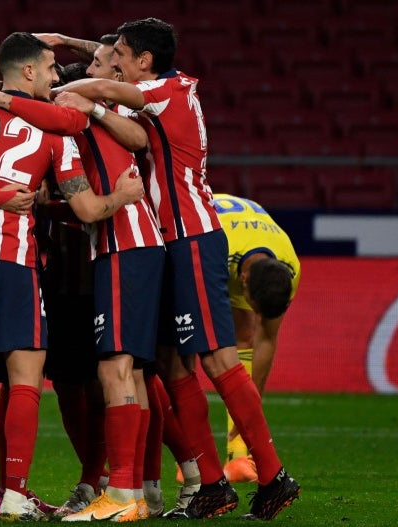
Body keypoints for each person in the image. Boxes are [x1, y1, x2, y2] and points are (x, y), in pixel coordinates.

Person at [50, 18, 301, 521]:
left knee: (219, 361)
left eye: (121, 52)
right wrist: (69, 47)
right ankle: (210, 483)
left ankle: (272, 477)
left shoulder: (168, 90)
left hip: (193, 237)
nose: (113, 58)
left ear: (144, 62)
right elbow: (111, 84)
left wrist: (62, 92)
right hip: (168, 242)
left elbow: (102, 85)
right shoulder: (161, 90)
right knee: (174, 365)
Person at [0, 31, 144, 521]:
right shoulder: (55, 132)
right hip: (15, 264)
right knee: (26, 378)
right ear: (26, 72)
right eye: (49, 69)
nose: (58, 77)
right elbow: (86, 207)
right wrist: (122, 200)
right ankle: (16, 491)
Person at [0, 42, 165, 521]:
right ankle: (111, 485)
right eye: (54, 72)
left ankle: (131, 486)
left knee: (127, 374)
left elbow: (133, 141)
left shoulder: (97, 114)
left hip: (102, 256)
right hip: (62, 268)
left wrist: (1, 99)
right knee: (89, 378)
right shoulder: (56, 118)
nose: (61, 80)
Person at [212, 194, 301, 483]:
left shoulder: (289, 268)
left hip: (243, 238)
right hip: (204, 229)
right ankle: (193, 460)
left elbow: (266, 337)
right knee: (178, 350)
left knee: (246, 337)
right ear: (244, 283)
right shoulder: (216, 251)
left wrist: (250, 405)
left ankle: (237, 458)